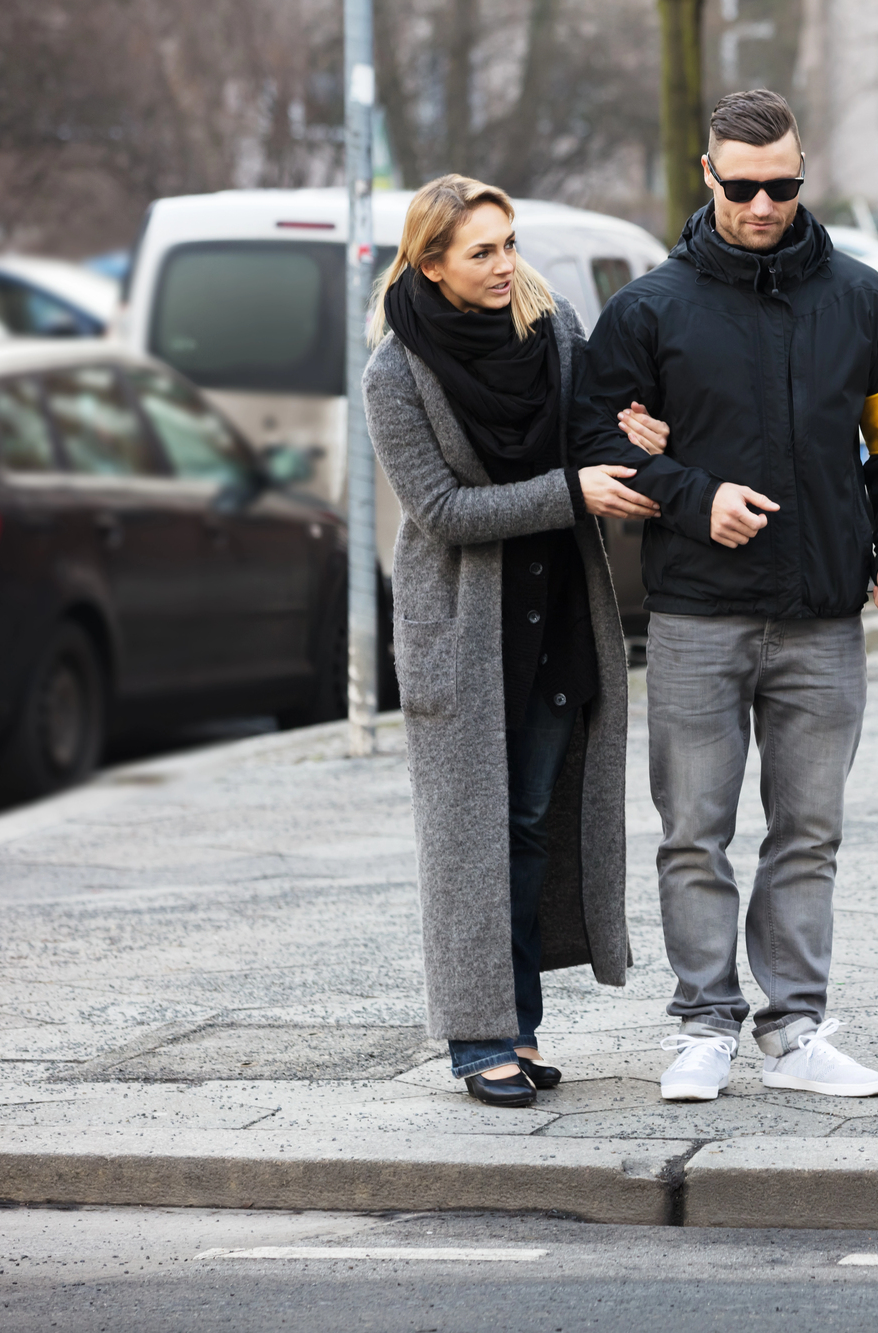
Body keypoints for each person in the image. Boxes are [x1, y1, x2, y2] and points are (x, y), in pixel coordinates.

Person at [572, 90, 878, 1102]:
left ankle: (796, 1026)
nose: (763, 204)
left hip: (823, 618)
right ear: (707, 176)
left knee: (807, 830)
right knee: (693, 828)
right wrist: (692, 498)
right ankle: (701, 1025)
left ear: (802, 170)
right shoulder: (649, 309)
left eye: (783, 185)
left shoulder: (863, 300)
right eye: (743, 188)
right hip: (695, 616)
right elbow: (595, 442)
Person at [363, 174, 668, 1108]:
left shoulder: (554, 328)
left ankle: (521, 1025)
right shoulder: (394, 372)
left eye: (509, 243)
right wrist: (575, 491)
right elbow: (445, 512)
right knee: (469, 841)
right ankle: (476, 1037)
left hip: (559, 617)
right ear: (431, 264)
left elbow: (590, 434)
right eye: (481, 251)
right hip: (464, 629)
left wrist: (632, 432)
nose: (505, 265)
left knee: (531, 826)